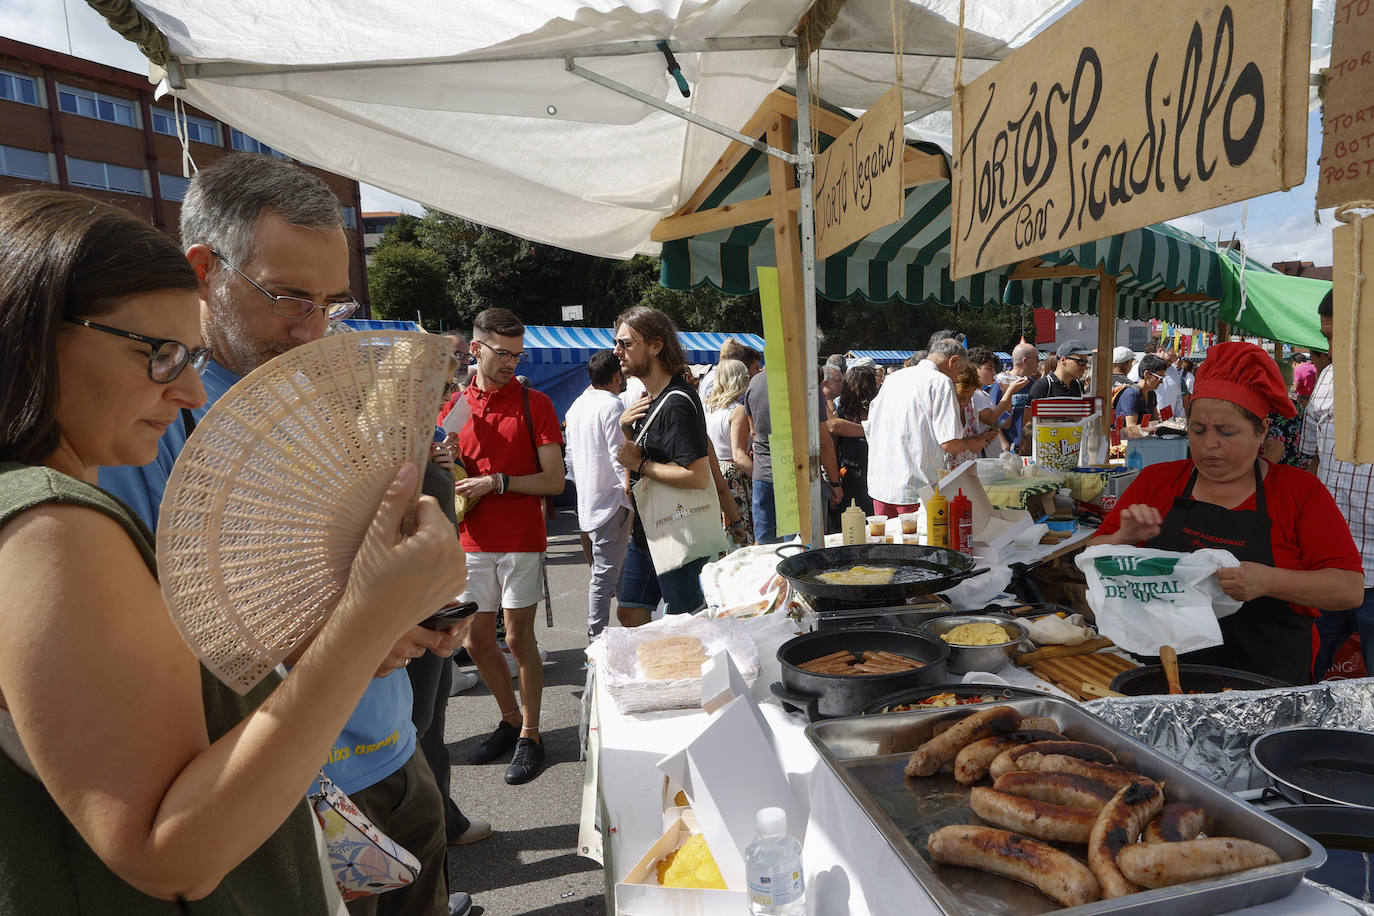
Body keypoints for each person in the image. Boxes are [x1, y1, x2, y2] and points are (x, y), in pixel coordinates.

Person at [0, 190, 467, 913]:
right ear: (31, 334)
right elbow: (169, 853)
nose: (188, 389)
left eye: (187, 355)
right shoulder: (52, 523)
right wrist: (368, 619)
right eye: (158, 355)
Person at [1090, 342, 1364, 684]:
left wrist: (1269, 580)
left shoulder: (1299, 493)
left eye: (1226, 431)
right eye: (1198, 430)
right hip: (1160, 679)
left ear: (1261, 431)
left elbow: (1349, 588)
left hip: (1268, 685)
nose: (1209, 445)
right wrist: (1122, 539)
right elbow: (1093, 558)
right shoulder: (1157, 482)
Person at [453, 308, 565, 786]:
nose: (511, 363)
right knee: (477, 641)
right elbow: (448, 466)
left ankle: (532, 735)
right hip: (470, 540)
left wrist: (497, 482)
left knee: (518, 640)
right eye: (503, 354)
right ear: (476, 349)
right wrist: (444, 462)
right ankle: (510, 719)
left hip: (520, 540)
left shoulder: (534, 402)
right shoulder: (454, 404)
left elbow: (555, 481)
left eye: (518, 355)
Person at [614, 307, 717, 618]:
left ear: (656, 346)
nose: (617, 352)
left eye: (626, 344)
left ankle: (688, 668)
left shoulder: (676, 403)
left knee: (688, 621)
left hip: (677, 528)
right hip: (652, 528)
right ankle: (660, 665)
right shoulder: (652, 400)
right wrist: (627, 428)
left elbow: (698, 476)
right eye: (617, 343)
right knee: (630, 613)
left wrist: (641, 466)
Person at [1302, 291, 1374, 680]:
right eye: (1327, 337)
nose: (1332, 348)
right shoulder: (1327, 378)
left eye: (1340, 337)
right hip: (1327, 562)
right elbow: (1311, 458)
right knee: (1304, 672)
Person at [865, 339, 994, 517]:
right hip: (916, 488)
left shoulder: (894, 378)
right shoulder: (941, 382)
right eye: (960, 371)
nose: (957, 377)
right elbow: (949, 443)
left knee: (886, 542)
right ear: (953, 361)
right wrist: (971, 443)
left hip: (881, 485)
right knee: (916, 543)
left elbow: (871, 426)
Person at [564, 350, 633, 641]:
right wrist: (629, 492)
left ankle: (616, 632)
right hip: (610, 499)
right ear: (617, 376)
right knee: (605, 575)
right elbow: (621, 455)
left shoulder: (576, 406)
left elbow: (569, 459)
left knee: (611, 571)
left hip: (590, 499)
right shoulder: (613, 405)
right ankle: (596, 641)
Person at [704, 358, 754, 541]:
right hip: (734, 478)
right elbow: (738, 455)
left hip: (712, 473)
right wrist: (762, 478)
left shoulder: (707, 407)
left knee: (723, 537)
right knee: (741, 538)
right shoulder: (737, 411)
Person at [825, 364, 879, 528]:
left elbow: (833, 450)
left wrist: (834, 483)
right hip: (871, 479)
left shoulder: (841, 414)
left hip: (847, 478)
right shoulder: (876, 416)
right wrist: (870, 431)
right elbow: (833, 428)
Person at [967, 345, 1029, 455]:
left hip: (991, 453)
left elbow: (1004, 423)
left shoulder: (984, 395)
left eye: (994, 369)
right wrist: (1010, 391)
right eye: (989, 368)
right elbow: (990, 419)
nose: (994, 373)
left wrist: (1007, 394)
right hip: (981, 456)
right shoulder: (973, 394)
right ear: (973, 368)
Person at [997, 342, 1040, 455]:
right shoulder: (1001, 382)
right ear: (1026, 361)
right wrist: (1003, 441)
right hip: (1009, 448)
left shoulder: (1032, 384)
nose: (1038, 363)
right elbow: (991, 417)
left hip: (1028, 446)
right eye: (1037, 359)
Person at [1114, 353, 1166, 439]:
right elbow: (1131, 428)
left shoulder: (1151, 394)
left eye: (1163, 378)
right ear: (1147, 374)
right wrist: (1152, 428)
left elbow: (1156, 421)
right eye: (1159, 378)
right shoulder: (1132, 394)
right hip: (1126, 444)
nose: (1161, 382)